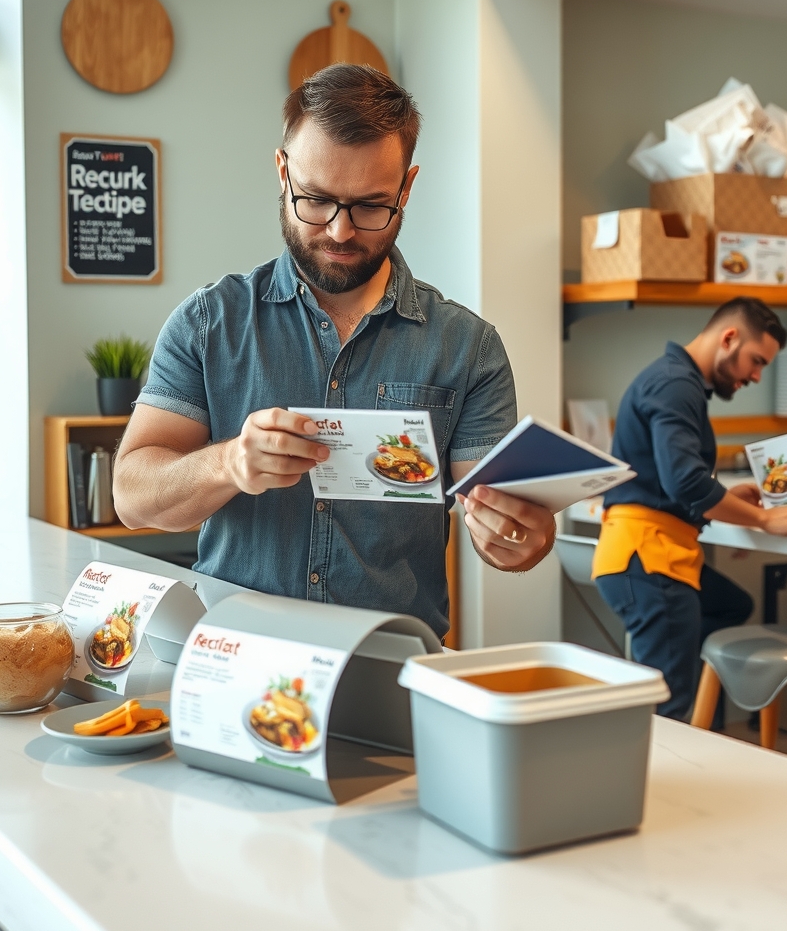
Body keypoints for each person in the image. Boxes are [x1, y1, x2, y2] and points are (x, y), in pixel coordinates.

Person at [113, 64, 556, 640]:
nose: (341, 232)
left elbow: (499, 529)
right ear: (282, 172)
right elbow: (133, 497)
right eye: (317, 200)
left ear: (407, 187)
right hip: (234, 656)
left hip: (391, 662)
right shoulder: (208, 323)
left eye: (372, 206)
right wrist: (229, 464)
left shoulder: (468, 348)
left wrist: (521, 538)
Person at [594, 298, 787, 721]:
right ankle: (672, 767)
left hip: (649, 552)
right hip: (647, 558)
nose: (756, 375)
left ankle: (704, 722)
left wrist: (732, 501)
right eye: (756, 361)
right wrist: (764, 519)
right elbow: (685, 482)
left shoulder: (673, 380)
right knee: (668, 707)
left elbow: (672, 480)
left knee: (730, 606)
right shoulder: (676, 385)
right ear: (729, 338)